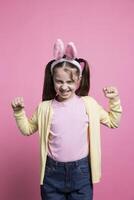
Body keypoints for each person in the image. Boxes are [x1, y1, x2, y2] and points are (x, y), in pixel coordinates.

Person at [11, 39, 122, 200]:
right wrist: (19, 112)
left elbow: (113, 122)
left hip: (81, 173)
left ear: (79, 80)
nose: (64, 86)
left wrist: (115, 100)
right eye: (59, 81)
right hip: (52, 175)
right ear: (52, 80)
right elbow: (27, 129)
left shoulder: (89, 104)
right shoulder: (45, 108)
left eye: (70, 81)